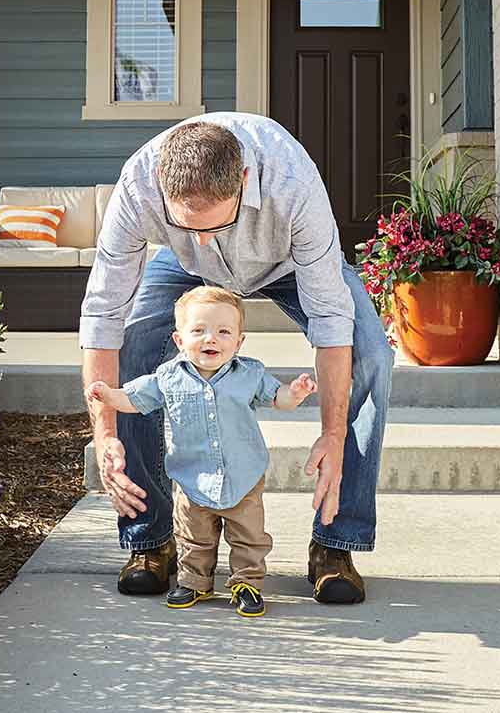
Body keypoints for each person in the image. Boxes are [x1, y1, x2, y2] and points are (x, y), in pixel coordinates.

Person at [80, 112, 392, 604]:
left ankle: (336, 544)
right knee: (138, 343)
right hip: (183, 270)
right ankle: (151, 540)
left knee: (372, 354)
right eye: (188, 224)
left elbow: (332, 320)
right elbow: (103, 314)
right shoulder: (139, 185)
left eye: (216, 223)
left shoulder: (292, 185)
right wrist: (104, 434)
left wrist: (332, 433)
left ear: (243, 181)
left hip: (287, 261)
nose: (205, 237)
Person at [87, 286, 318, 617]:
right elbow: (135, 399)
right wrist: (108, 395)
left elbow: (278, 398)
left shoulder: (249, 374)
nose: (212, 339)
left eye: (224, 332)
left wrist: (294, 393)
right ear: (180, 340)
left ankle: (247, 582)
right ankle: (195, 582)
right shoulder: (168, 378)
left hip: (243, 477)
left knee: (249, 537)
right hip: (191, 477)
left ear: (239, 341)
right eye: (199, 330)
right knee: (194, 537)